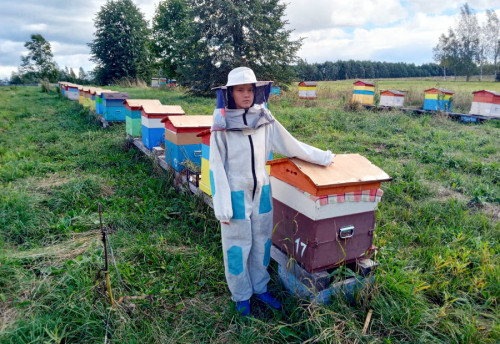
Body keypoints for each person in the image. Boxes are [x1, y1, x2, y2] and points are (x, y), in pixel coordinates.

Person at [209, 67, 334, 316]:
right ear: (230, 93)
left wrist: (323, 157)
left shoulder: (264, 118)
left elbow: (291, 144)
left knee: (262, 241)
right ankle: (241, 295)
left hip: (263, 190)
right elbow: (215, 165)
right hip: (235, 191)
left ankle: (260, 287)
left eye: (249, 89)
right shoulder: (221, 123)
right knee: (236, 246)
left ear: (257, 91)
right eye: (240, 90)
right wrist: (222, 203)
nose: (245, 94)